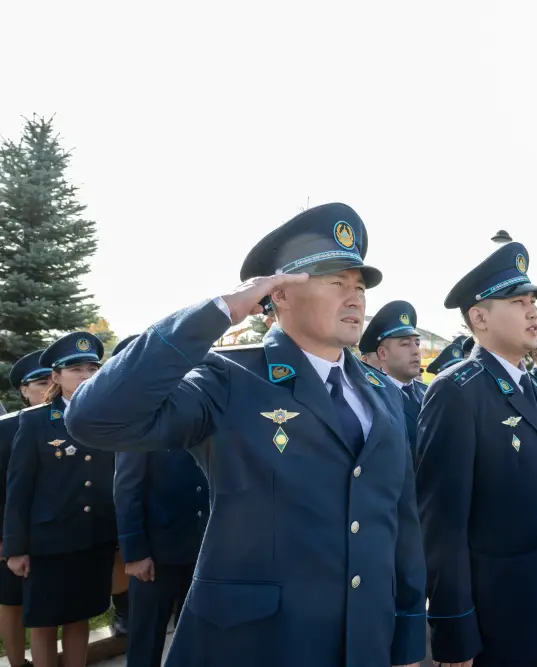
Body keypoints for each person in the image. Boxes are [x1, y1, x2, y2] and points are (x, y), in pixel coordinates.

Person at [66, 203, 426, 667]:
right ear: (281, 295)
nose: (354, 298)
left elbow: (401, 521)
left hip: (365, 642)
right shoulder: (229, 377)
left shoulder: (382, 393)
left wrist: (407, 640)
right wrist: (219, 312)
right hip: (255, 644)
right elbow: (95, 418)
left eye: (358, 286)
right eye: (336, 282)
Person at [415, 241, 537, 667]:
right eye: (517, 301)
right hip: (497, 614)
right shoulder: (456, 391)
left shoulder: (530, 385)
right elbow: (442, 524)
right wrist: (453, 625)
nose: (533, 312)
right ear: (479, 317)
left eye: (533, 302)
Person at [3, 332, 116, 667]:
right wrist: (15, 547)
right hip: (49, 543)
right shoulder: (35, 421)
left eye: (92, 368)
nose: (85, 375)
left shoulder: (108, 418)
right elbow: (19, 488)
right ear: (56, 376)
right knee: (43, 623)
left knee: (80, 618)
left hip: (94, 538)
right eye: (75, 369)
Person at [111, 334, 210, 667]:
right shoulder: (136, 419)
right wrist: (135, 553)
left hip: (200, 546)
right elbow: (127, 490)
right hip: (157, 553)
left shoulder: (192, 408)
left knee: (194, 633)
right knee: (146, 636)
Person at [0, 350, 53, 667]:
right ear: (23, 390)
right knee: (11, 602)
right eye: (40, 381)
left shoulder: (69, 420)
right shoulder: (6, 428)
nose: (48, 386)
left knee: (49, 605)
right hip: (10, 532)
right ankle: (18, 663)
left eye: (52, 379)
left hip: (54, 533)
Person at [359, 301, 424, 454]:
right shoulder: (371, 398)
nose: (416, 351)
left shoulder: (430, 393)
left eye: (417, 343)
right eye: (405, 344)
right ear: (382, 354)